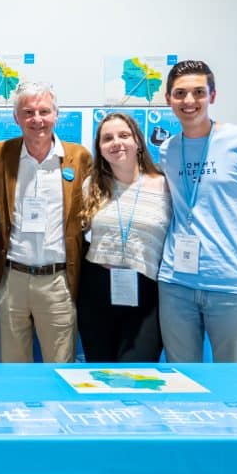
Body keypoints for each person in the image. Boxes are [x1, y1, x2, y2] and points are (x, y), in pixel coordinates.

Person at [158, 60, 237, 362]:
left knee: (233, 383)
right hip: (176, 283)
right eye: (180, 93)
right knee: (180, 378)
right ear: (168, 99)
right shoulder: (168, 149)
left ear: (212, 96)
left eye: (198, 92)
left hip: (232, 284)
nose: (189, 101)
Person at [0, 81, 93, 363]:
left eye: (44, 111)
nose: (37, 119)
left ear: (56, 115)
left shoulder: (78, 157)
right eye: (28, 112)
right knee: (13, 369)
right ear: (16, 118)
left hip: (58, 279)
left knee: (60, 368)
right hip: (13, 279)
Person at [78, 113, 171, 362]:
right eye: (107, 138)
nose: (116, 142)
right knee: (99, 374)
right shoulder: (91, 185)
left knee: (137, 374)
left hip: (147, 292)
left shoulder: (164, 185)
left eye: (124, 135)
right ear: (100, 148)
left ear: (138, 142)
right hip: (96, 290)